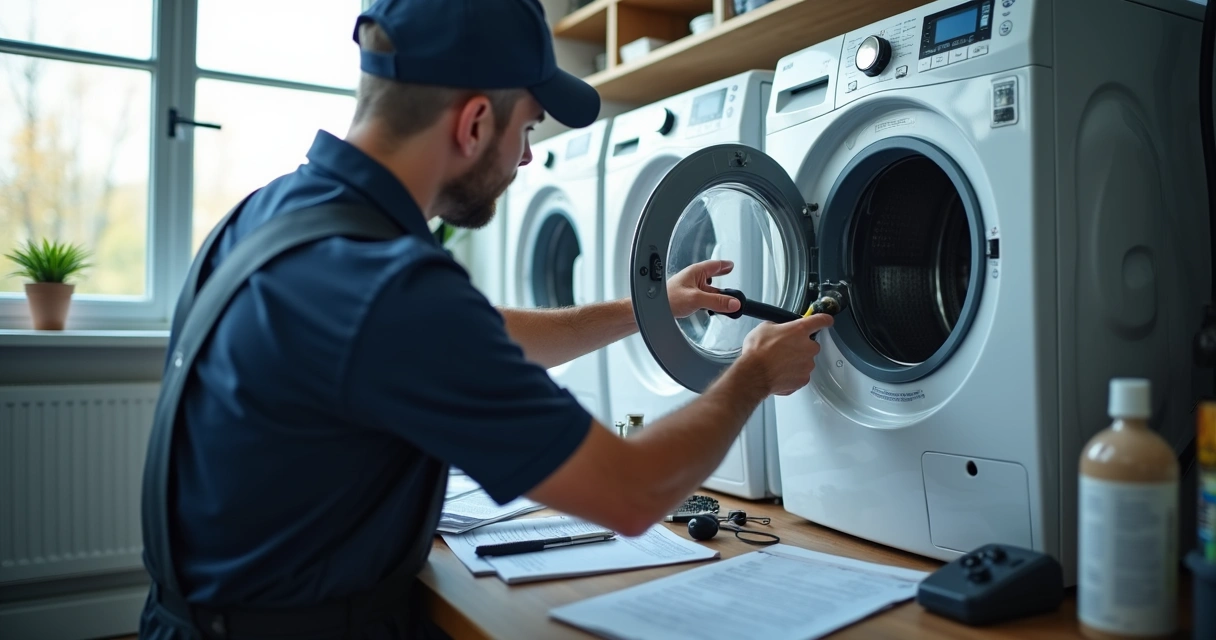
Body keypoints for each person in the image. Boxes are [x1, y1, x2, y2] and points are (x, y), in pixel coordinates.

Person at [138, 0, 833, 638]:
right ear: (473, 123)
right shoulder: (387, 285)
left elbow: (483, 336)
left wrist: (655, 305)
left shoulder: (271, 215)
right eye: (526, 128)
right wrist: (752, 373)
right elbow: (631, 493)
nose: (528, 157)